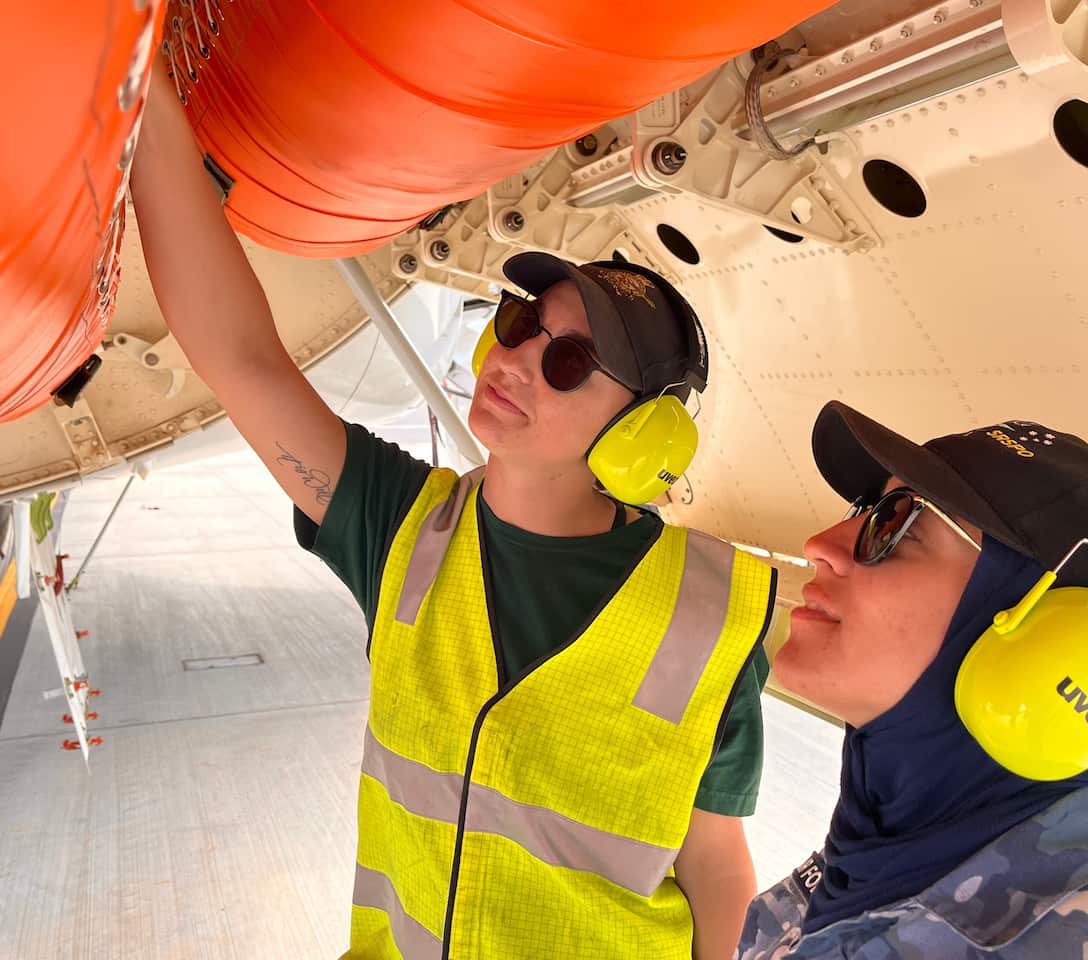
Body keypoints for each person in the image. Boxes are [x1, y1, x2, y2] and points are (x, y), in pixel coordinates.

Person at [130, 73, 776, 959]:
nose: (513, 362)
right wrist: (146, 104)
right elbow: (243, 362)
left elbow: (714, 863)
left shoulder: (712, 612)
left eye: (571, 361)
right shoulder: (404, 528)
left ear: (644, 435)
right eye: (518, 324)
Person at [738, 402, 1088, 959]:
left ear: (1056, 657)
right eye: (865, 509)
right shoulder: (883, 852)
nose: (820, 544)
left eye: (899, 522)